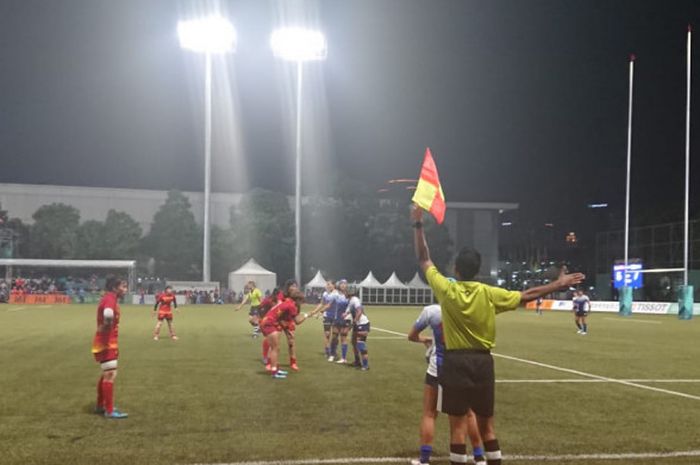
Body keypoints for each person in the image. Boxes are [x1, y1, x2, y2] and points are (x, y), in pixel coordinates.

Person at [411, 204, 584, 465]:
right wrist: (558, 284)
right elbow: (527, 296)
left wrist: (418, 223)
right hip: (483, 363)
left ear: (456, 270)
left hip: (455, 362)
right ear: (478, 270)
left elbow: (424, 258)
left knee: (457, 428)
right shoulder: (489, 293)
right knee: (487, 427)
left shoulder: (447, 290)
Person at [408, 303, 485, 465]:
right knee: (469, 414)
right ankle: (479, 458)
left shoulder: (432, 311)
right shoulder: (469, 309)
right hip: (464, 366)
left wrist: (426, 340)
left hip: (439, 367)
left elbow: (412, 335)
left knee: (429, 413)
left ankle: (424, 460)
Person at [259, 288, 321, 379]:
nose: (301, 303)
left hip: (267, 321)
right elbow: (297, 321)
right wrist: (307, 315)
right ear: (298, 300)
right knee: (275, 348)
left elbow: (281, 316)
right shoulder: (292, 306)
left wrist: (287, 328)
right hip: (269, 324)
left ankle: (275, 369)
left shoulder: (286, 301)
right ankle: (274, 371)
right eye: (301, 301)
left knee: (275, 348)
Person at [91, 276, 129, 419]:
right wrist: (107, 325)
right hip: (107, 342)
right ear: (115, 287)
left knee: (106, 374)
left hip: (106, 341)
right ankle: (109, 410)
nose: (125, 290)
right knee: (110, 375)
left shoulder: (109, 297)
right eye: (123, 286)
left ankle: (101, 405)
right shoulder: (110, 298)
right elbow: (108, 313)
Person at [343, 286, 370, 370]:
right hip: (357, 324)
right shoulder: (350, 301)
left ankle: (365, 366)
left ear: (349, 293)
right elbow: (348, 312)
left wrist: (354, 322)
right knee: (354, 342)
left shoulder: (355, 300)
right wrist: (345, 315)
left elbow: (359, 311)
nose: (344, 293)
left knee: (360, 344)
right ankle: (357, 362)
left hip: (362, 323)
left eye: (345, 292)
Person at [311, 280, 340, 361]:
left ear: (333, 285)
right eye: (327, 284)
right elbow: (322, 303)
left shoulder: (336, 294)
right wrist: (314, 311)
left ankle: (333, 351)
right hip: (327, 316)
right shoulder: (325, 293)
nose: (327, 286)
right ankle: (327, 351)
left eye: (329, 284)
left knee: (335, 335)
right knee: (327, 334)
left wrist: (319, 312)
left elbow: (328, 305)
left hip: (335, 316)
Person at [332, 280, 352, 364]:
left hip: (346, 319)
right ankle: (333, 354)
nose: (343, 285)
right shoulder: (336, 295)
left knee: (343, 338)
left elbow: (353, 307)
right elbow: (330, 305)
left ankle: (343, 358)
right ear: (339, 285)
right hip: (337, 319)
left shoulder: (349, 296)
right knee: (334, 337)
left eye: (345, 284)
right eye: (341, 284)